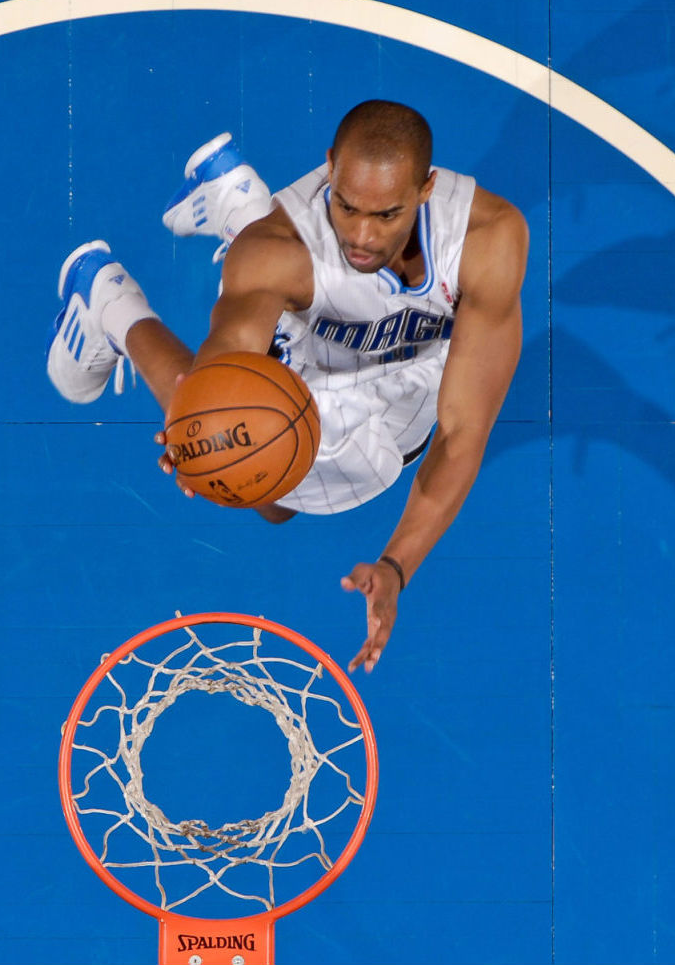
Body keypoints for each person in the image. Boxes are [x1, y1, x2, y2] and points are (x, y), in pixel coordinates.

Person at [46, 100, 528, 673]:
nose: (362, 236)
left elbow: (464, 429)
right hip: (310, 345)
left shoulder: (488, 239)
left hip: (415, 364)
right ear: (329, 168)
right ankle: (108, 300)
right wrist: (199, 426)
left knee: (282, 493)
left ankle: (235, 202)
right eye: (346, 207)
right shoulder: (277, 253)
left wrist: (397, 567)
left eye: (385, 216)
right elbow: (226, 359)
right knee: (266, 497)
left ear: (426, 189)